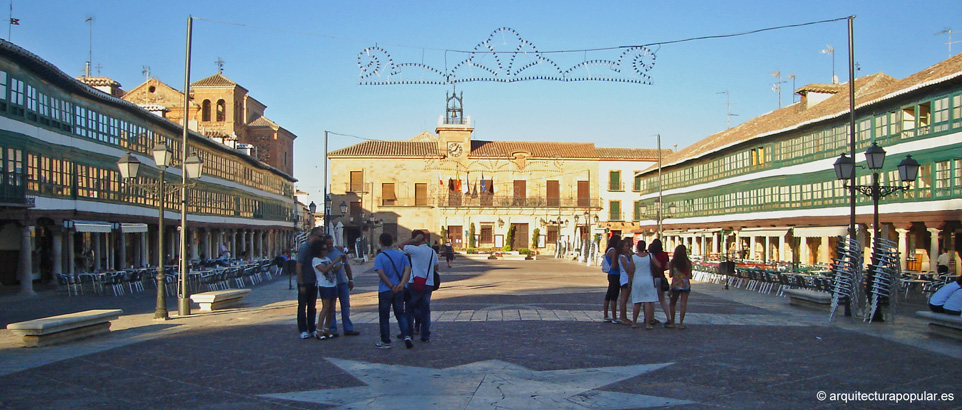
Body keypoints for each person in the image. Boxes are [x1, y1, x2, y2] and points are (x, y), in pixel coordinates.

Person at [374, 233, 413, 349]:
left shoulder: (380, 256)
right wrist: (401, 284)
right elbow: (408, 269)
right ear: (392, 242)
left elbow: (381, 273)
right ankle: (406, 335)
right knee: (400, 314)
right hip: (400, 289)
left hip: (386, 290)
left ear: (381, 242)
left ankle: (386, 341)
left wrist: (391, 286)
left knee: (384, 316)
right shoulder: (401, 255)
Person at [401, 230, 439, 342]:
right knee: (425, 310)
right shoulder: (432, 251)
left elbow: (401, 245)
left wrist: (413, 240)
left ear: (416, 239)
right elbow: (436, 268)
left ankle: (409, 333)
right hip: (428, 283)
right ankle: (425, 335)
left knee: (410, 309)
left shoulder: (414, 250)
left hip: (415, 282)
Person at [324, 235, 359, 337]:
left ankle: (348, 328)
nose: (330, 246)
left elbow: (347, 265)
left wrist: (350, 279)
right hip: (330, 284)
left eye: (331, 243)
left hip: (342, 282)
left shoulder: (339, 252)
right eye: (328, 244)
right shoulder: (323, 255)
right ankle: (332, 328)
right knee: (331, 308)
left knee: (346, 306)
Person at [313, 240, 346, 340]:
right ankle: (319, 330)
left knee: (332, 308)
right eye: (323, 249)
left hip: (332, 284)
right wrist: (335, 260)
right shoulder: (316, 260)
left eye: (326, 249)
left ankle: (327, 329)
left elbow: (333, 270)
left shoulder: (327, 258)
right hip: (324, 286)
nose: (325, 251)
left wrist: (341, 263)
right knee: (325, 308)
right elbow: (324, 270)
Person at [294, 227, 323, 339]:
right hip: (304, 282)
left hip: (313, 282)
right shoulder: (304, 248)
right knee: (302, 306)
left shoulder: (315, 248)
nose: (321, 239)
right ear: (313, 236)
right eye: (319, 236)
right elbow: (299, 265)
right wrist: (301, 284)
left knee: (312, 306)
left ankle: (312, 328)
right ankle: (302, 329)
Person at [630, 240, 657, 329]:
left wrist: (629, 282)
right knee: (647, 302)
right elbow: (659, 265)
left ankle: (634, 322)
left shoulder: (633, 257)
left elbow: (632, 271)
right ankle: (648, 324)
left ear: (637, 247)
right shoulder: (650, 256)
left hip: (637, 280)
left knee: (637, 302)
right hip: (648, 279)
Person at [668, 245, 693, 329]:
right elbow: (690, 275)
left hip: (676, 284)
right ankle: (681, 324)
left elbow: (670, 275)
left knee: (672, 303)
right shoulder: (688, 262)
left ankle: (672, 322)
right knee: (683, 304)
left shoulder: (673, 262)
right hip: (685, 284)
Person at [648, 239, 672, 327]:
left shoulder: (651, 255)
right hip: (662, 277)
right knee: (662, 299)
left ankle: (651, 318)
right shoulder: (665, 254)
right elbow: (666, 266)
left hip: (653, 278)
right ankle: (669, 317)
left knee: (652, 299)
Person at [602, 234, 623, 323]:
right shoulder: (614, 251)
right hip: (615, 274)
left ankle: (606, 315)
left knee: (609, 295)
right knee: (614, 295)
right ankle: (614, 317)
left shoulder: (609, 250)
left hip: (611, 274)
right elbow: (614, 265)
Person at [615, 238, 634, 325]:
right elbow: (627, 269)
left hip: (628, 278)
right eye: (626, 246)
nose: (628, 247)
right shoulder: (622, 257)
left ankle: (624, 316)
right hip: (625, 279)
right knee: (623, 298)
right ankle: (623, 317)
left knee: (625, 299)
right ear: (622, 247)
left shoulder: (627, 255)